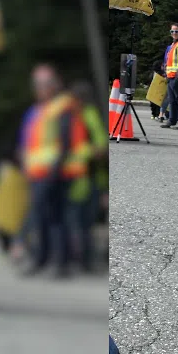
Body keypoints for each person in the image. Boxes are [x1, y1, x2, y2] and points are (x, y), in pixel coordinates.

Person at [19, 63, 91, 277]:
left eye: (42, 85)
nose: (38, 89)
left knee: (54, 219)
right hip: (41, 172)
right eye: (37, 85)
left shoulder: (61, 107)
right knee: (45, 218)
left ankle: (58, 263)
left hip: (54, 172)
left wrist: (53, 170)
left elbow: (65, 142)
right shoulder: (45, 108)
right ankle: (44, 260)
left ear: (53, 86)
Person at [69, 80, 107, 272]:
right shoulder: (78, 116)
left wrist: (80, 153)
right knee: (80, 222)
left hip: (88, 178)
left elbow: (100, 147)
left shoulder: (87, 115)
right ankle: (83, 259)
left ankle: (85, 260)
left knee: (82, 222)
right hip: (81, 178)